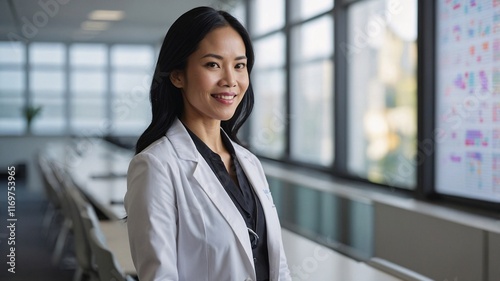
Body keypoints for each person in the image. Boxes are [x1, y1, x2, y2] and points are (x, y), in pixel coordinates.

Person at [124, 6, 291, 281]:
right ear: (177, 75)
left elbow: (277, 265)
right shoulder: (155, 166)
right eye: (213, 64)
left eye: (239, 65)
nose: (230, 80)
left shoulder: (249, 162)